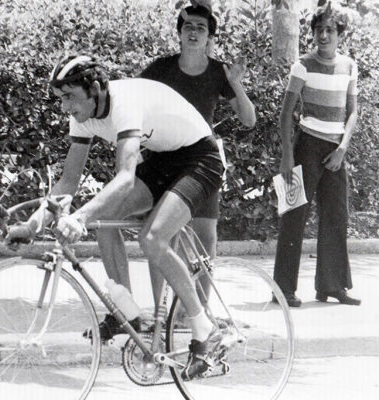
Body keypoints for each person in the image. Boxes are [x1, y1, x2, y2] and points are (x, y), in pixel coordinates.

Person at [17, 54, 227, 379]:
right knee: (105, 217)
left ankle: (204, 328)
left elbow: (125, 177)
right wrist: (33, 224)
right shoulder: (81, 115)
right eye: (60, 99)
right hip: (164, 158)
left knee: (153, 238)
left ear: (97, 89)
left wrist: (79, 218)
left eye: (70, 97)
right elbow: (68, 181)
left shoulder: (124, 101)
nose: (64, 107)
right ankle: (125, 311)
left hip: (200, 158)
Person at [133, 4, 256, 315]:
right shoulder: (161, 68)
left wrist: (236, 84)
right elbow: (134, 103)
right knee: (164, 236)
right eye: (187, 26)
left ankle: (199, 310)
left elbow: (249, 120)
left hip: (202, 162)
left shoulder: (219, 72)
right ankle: (162, 314)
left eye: (201, 27)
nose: (193, 31)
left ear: (209, 36)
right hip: (165, 159)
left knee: (205, 237)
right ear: (178, 32)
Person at [273, 2, 361, 307]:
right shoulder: (303, 65)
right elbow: (285, 114)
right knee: (294, 214)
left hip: (336, 151)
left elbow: (352, 112)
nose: (323, 35)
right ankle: (282, 289)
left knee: (337, 216)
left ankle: (332, 286)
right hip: (305, 146)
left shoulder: (350, 66)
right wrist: (287, 157)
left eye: (330, 30)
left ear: (340, 34)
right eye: (318, 30)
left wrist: (342, 148)